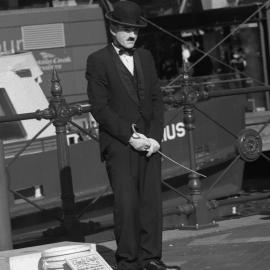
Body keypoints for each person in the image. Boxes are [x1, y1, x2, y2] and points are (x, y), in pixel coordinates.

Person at [85, 1, 181, 270]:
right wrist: (130, 137)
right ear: (113, 29)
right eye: (126, 29)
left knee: (151, 203)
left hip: (149, 143)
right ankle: (128, 263)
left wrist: (155, 137)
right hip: (120, 145)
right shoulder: (98, 60)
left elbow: (156, 100)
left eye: (135, 30)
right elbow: (100, 108)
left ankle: (152, 259)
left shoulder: (146, 57)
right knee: (126, 205)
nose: (131, 35)